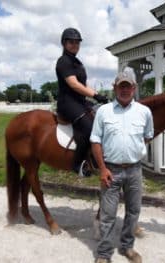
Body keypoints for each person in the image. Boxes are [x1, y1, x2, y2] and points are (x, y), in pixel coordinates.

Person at [90, 72, 154, 263]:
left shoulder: (144, 112)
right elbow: (95, 140)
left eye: (129, 86)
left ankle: (127, 247)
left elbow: (148, 135)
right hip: (111, 170)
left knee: (133, 211)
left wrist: (132, 150)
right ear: (115, 88)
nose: (125, 90)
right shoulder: (104, 111)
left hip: (135, 170)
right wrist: (102, 168)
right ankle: (104, 253)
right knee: (108, 215)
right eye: (121, 86)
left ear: (134, 88)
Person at [55, 27, 108, 177]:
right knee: (89, 129)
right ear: (64, 43)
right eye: (71, 42)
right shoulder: (63, 61)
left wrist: (99, 95)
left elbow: (83, 85)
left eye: (77, 43)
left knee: (101, 118)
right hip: (68, 103)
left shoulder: (77, 62)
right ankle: (77, 164)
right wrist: (95, 96)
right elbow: (74, 84)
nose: (75, 45)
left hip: (80, 102)